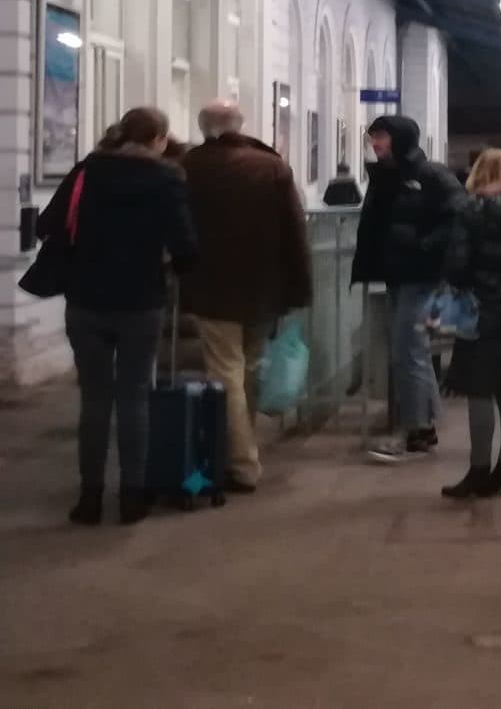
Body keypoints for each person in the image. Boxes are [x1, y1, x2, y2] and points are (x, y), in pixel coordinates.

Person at [38, 107, 198, 525]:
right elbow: (185, 247)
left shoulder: (87, 171)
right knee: (133, 399)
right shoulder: (166, 179)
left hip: (86, 300)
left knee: (94, 399)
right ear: (159, 139)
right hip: (140, 301)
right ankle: (131, 497)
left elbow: (48, 224)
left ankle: (89, 498)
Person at [179, 101, 313, 493]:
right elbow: (294, 229)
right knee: (249, 368)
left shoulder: (189, 167)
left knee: (225, 372)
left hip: (212, 286)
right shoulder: (270, 166)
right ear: (240, 126)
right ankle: (244, 443)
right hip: (264, 286)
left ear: (204, 128)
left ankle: (241, 463)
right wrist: (300, 285)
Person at [353, 114, 464, 464]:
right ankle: (424, 427)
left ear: (400, 138)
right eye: (373, 137)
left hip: (420, 274)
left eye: (381, 136)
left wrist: (424, 245)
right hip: (397, 274)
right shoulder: (386, 176)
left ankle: (413, 430)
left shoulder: (428, 174)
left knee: (407, 349)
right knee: (410, 349)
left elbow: (459, 214)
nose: (375, 143)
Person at [438, 149, 501, 499]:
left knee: (479, 390)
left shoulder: (470, 210)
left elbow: (457, 266)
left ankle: (479, 471)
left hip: (479, 311)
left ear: (478, 173)